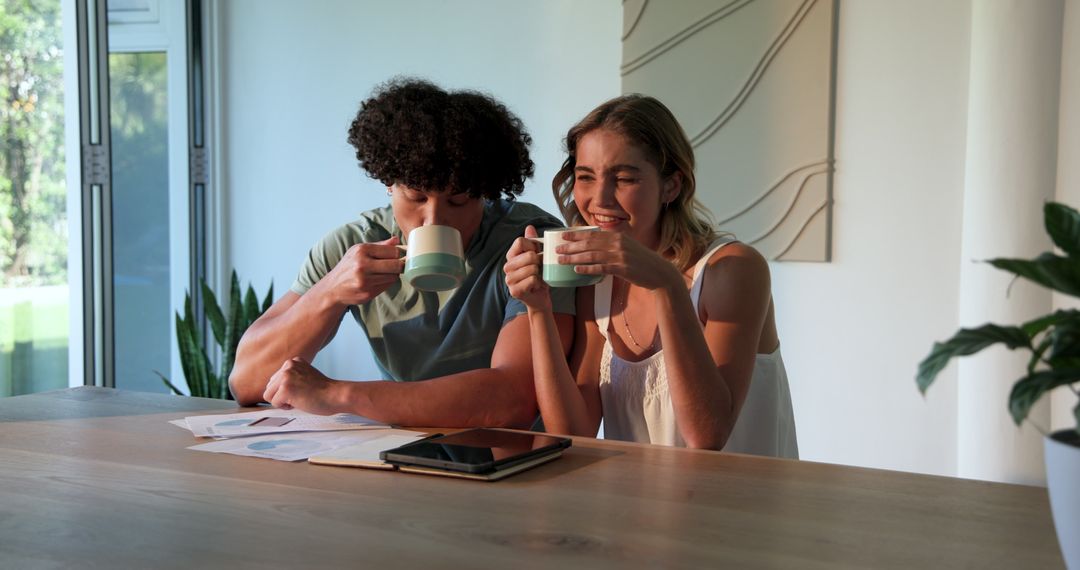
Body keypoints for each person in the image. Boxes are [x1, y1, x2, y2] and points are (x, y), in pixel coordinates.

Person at [230, 78, 575, 428]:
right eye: (416, 197)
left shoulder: (530, 244)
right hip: (401, 456)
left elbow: (510, 401)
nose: (434, 219)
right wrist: (330, 293)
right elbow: (246, 381)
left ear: (485, 192)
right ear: (388, 182)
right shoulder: (354, 246)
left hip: (513, 465)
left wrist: (338, 395)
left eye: (458, 201)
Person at [503, 94, 798, 456]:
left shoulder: (734, 270)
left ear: (671, 186)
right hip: (642, 508)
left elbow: (707, 435)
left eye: (624, 178)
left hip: (738, 507)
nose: (600, 199)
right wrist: (538, 310)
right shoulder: (597, 283)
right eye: (585, 177)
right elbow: (572, 429)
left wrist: (668, 285)